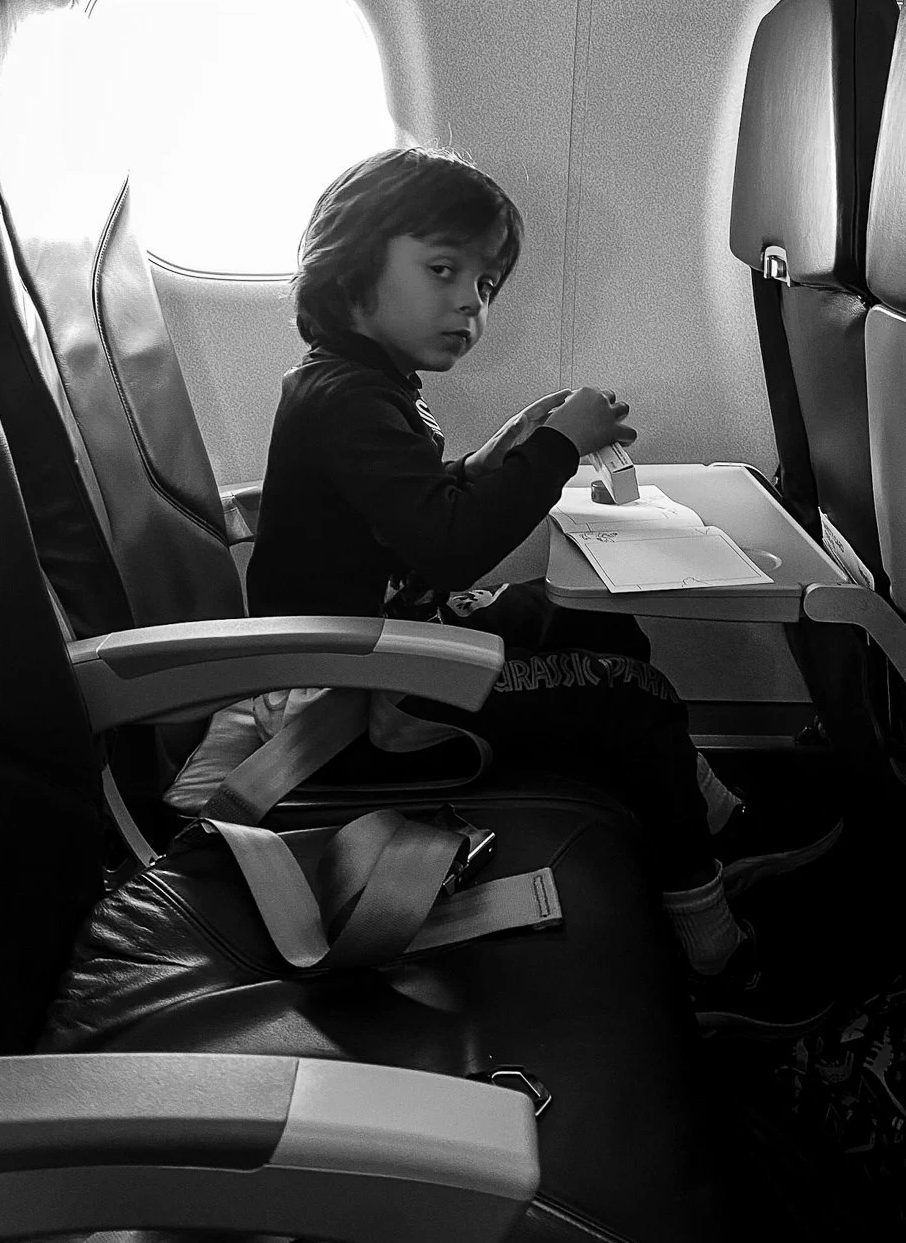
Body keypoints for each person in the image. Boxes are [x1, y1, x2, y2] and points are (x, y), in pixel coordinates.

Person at [247, 146, 843, 1036]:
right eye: (443, 270)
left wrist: (513, 441)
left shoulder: (355, 386)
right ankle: (715, 956)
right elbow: (448, 544)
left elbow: (419, 503)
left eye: (486, 285)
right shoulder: (347, 398)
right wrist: (557, 447)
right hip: (354, 703)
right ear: (352, 261)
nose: (469, 304)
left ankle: (714, 822)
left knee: (576, 617)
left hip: (382, 644)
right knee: (631, 700)